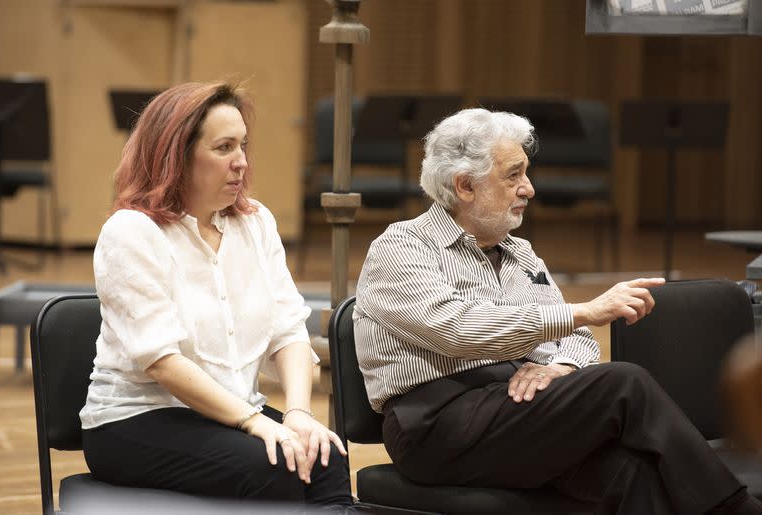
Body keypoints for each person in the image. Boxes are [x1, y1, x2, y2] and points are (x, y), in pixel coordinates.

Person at [353, 108, 762, 514]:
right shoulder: (401, 247)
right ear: (464, 186)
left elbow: (576, 341)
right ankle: (736, 509)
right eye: (513, 175)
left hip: (514, 409)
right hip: (434, 425)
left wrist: (562, 368)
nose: (528, 188)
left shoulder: (521, 254)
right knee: (624, 383)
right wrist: (585, 310)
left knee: (630, 470)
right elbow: (456, 329)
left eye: (525, 173)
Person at [79, 81, 352, 509]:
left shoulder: (255, 222)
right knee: (274, 464)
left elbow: (289, 334)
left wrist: (298, 415)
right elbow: (164, 364)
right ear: (176, 155)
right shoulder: (131, 232)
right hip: (136, 421)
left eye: (243, 146)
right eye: (224, 148)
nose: (241, 163)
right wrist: (254, 423)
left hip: (230, 415)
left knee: (326, 456)